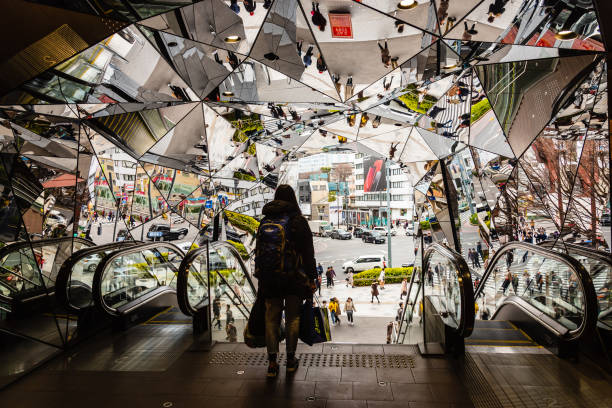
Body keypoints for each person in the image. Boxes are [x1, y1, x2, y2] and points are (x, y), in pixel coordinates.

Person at [255, 185, 317, 378]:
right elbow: (308, 253)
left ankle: (272, 364)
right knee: (292, 318)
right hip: (293, 279)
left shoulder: (265, 221)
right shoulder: (298, 221)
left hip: (270, 278)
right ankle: (290, 361)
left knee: (271, 318)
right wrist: (312, 278)